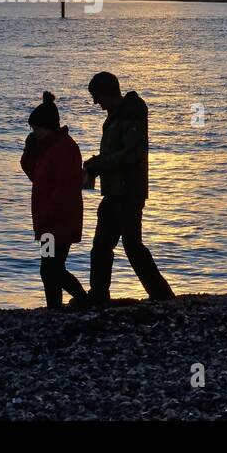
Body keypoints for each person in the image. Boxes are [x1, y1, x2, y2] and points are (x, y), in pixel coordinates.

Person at [82, 71, 175, 303]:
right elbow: (120, 152)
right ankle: (99, 293)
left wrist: (100, 164)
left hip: (128, 191)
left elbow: (132, 154)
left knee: (131, 246)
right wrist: (99, 162)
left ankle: (161, 294)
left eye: (97, 96)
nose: (96, 102)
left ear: (108, 93)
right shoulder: (119, 115)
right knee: (102, 245)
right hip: (116, 191)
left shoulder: (130, 114)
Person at [20, 91, 88, 308]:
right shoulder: (47, 148)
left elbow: (65, 188)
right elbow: (35, 176)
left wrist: (49, 217)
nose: (34, 132)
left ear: (46, 126)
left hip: (58, 222)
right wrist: (29, 152)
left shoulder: (64, 148)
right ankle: (55, 307)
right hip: (49, 223)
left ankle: (83, 300)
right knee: (49, 268)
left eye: (36, 128)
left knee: (52, 268)